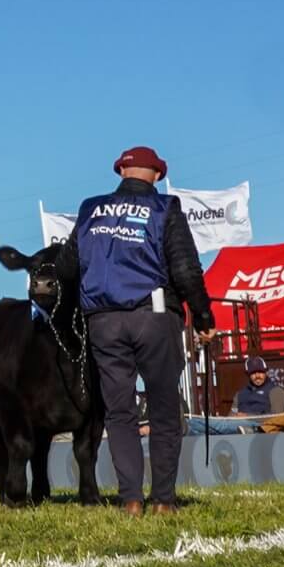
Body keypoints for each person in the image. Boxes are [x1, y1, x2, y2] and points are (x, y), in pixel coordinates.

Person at [70, 145, 216, 517]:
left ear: (121, 171)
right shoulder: (165, 208)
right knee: (165, 408)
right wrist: (202, 317)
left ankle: (131, 499)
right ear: (158, 175)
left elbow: (71, 264)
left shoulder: (90, 210)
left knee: (120, 412)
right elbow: (185, 268)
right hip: (152, 315)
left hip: (103, 320)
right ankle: (164, 500)